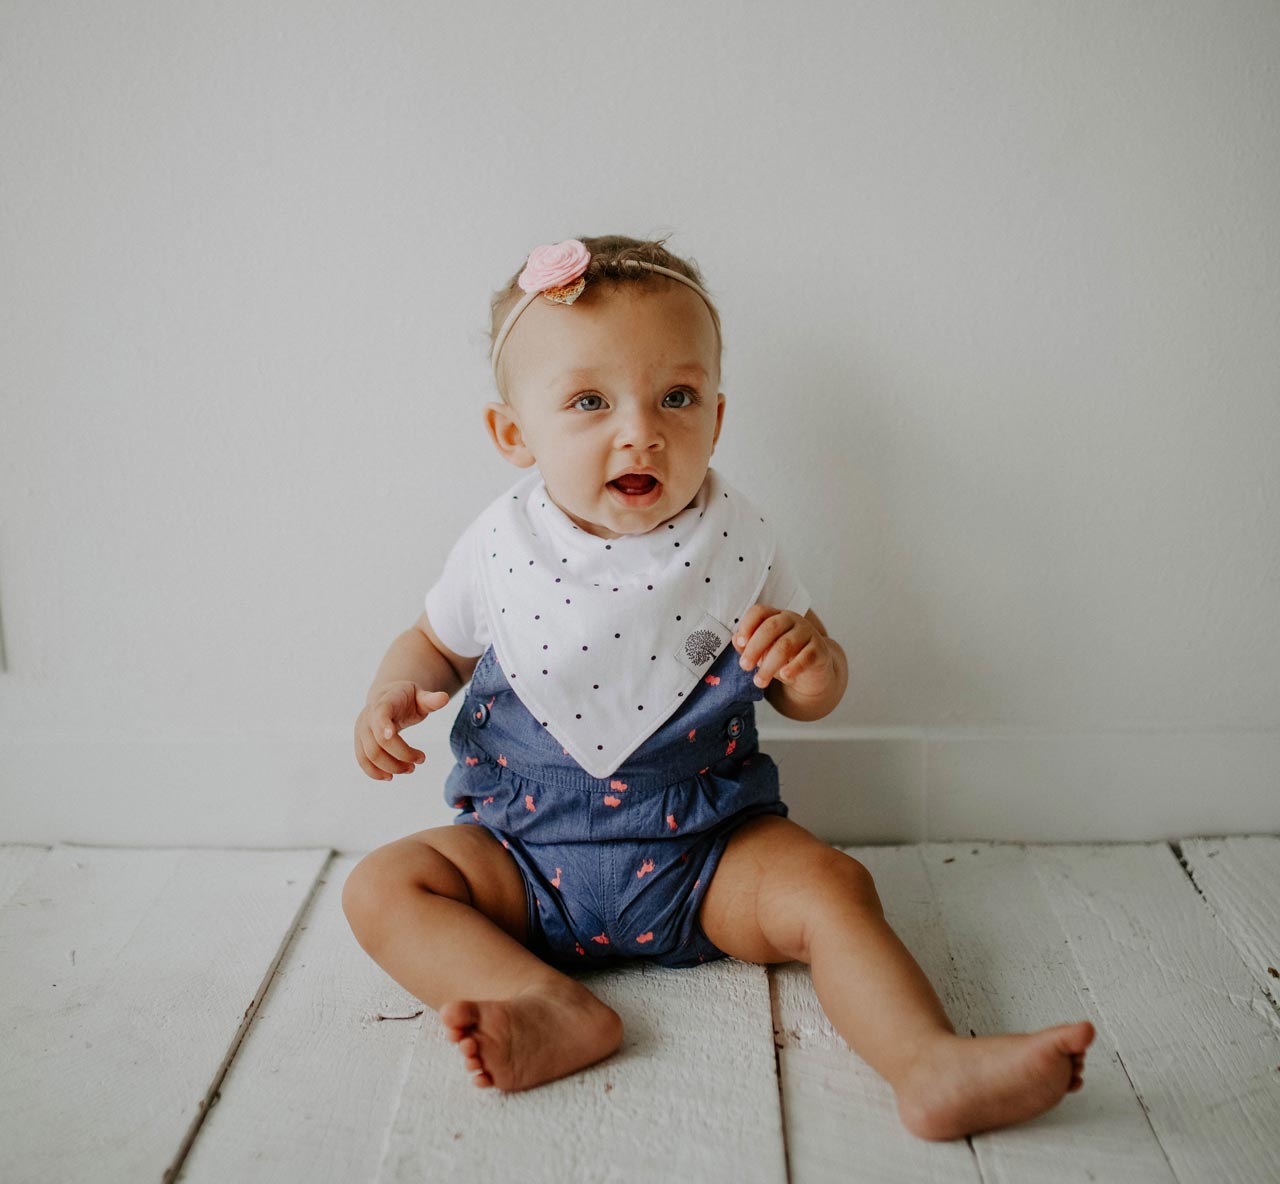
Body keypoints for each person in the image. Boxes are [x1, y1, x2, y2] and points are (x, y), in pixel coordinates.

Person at [342, 235, 1095, 1139]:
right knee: (382, 887)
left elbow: (806, 689)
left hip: (706, 855)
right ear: (515, 433)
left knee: (832, 888)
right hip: (520, 857)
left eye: (677, 397)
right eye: (589, 401)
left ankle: (924, 1059)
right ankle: (542, 1002)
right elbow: (436, 643)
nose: (642, 429)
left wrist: (814, 669)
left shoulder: (738, 542)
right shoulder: (501, 547)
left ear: (718, 418)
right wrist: (394, 690)